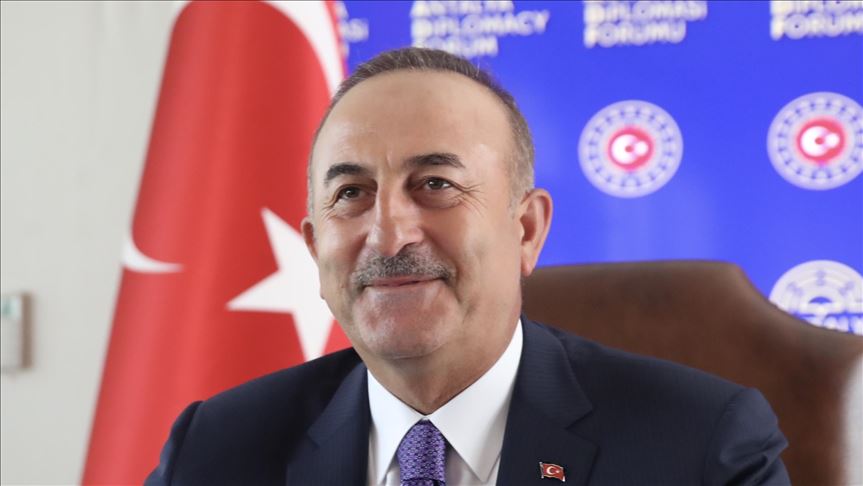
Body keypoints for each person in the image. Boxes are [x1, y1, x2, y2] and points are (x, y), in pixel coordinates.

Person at [146, 47, 789, 486]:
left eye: (435, 185)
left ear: (526, 229)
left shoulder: (699, 447)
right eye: (352, 193)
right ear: (315, 248)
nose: (388, 233)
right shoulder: (216, 450)